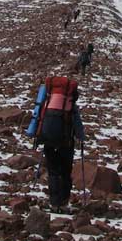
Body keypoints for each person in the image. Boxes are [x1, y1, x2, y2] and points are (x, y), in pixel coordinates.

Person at [36, 77, 85, 212]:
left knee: (53, 172)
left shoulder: (47, 103)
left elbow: (39, 118)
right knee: (65, 172)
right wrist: (81, 138)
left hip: (48, 140)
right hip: (66, 142)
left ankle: (54, 203)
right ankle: (63, 203)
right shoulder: (70, 107)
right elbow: (78, 126)